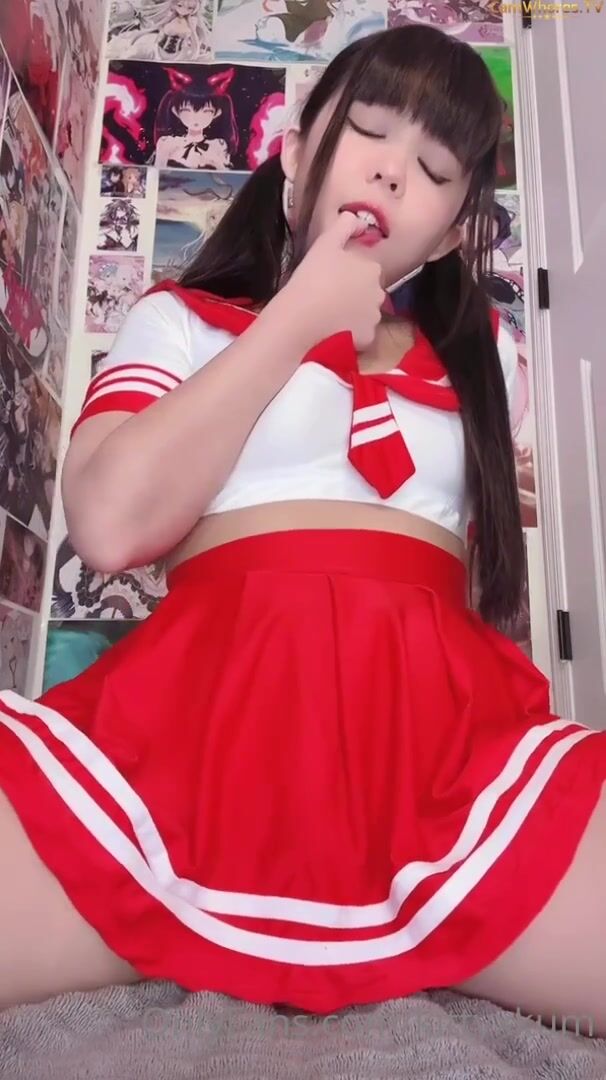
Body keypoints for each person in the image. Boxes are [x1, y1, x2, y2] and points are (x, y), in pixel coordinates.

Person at [1, 24, 606, 1030]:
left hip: (439, 767)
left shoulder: (489, 363)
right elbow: (107, 526)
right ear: (293, 154)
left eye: (435, 170)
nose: (392, 171)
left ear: (448, 234)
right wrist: (299, 318)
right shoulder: (178, 321)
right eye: (368, 130)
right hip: (190, 747)